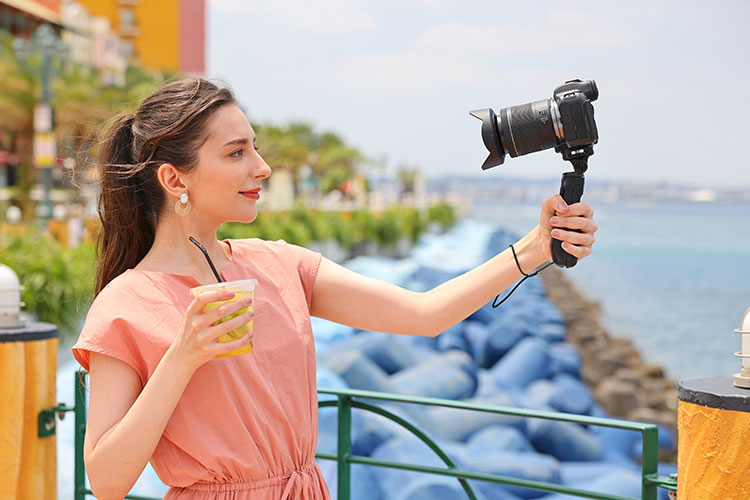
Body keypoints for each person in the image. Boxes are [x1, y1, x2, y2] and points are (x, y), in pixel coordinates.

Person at [72, 78, 598, 500]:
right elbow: (107, 480)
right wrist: (181, 358)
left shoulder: (280, 264)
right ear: (174, 180)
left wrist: (533, 247)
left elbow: (423, 314)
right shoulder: (124, 305)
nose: (262, 167)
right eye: (236, 153)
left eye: (255, 147)